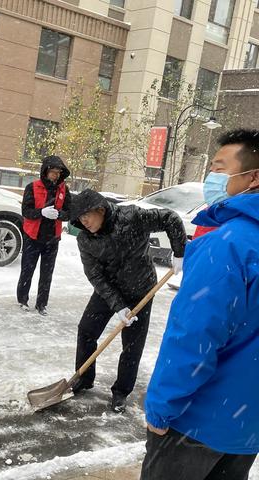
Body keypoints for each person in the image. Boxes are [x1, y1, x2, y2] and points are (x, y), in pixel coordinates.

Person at [141, 129, 259, 480]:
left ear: (252, 177)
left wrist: (161, 407)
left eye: (220, 167)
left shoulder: (228, 244)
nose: (211, 175)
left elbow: (194, 336)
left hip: (197, 421)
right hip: (246, 425)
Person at [69, 189, 186, 413]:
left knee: (132, 343)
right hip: (109, 290)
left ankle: (121, 392)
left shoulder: (132, 217)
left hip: (141, 289)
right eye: (79, 219)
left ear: (100, 209)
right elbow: (95, 275)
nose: (83, 222)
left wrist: (179, 251)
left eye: (86, 216)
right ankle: (83, 379)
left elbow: (169, 218)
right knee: (86, 330)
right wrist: (118, 305)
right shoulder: (85, 239)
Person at [16, 155, 71, 316]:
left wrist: (59, 214)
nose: (56, 175)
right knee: (27, 269)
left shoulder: (64, 190)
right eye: (53, 172)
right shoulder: (32, 187)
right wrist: (41, 212)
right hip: (33, 236)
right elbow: (26, 211)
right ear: (45, 172)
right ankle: (23, 299)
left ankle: (42, 304)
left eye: (58, 172)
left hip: (52, 238)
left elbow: (69, 212)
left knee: (47, 273)